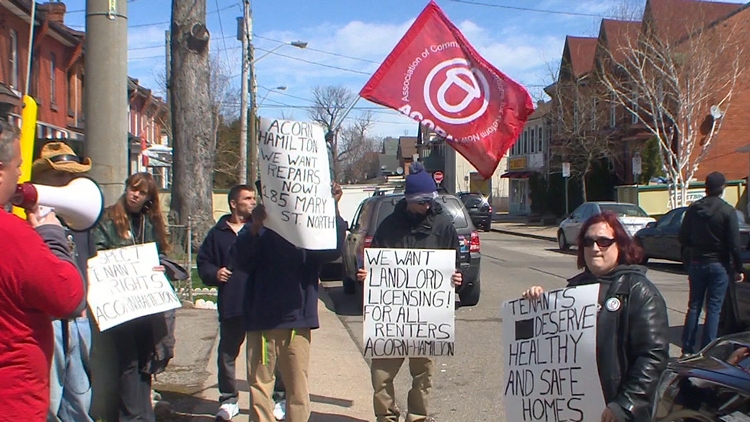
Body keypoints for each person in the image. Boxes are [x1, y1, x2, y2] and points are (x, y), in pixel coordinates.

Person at [523, 211, 669, 422]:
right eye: (588, 241)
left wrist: (624, 404)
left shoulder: (639, 292)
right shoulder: (575, 289)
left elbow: (653, 356)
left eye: (603, 241)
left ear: (620, 245)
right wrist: (538, 306)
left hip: (618, 412)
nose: (595, 248)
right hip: (578, 408)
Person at [356, 162, 463, 422]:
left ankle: (417, 416)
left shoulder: (443, 225)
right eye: (421, 202)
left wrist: (456, 277)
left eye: (430, 201)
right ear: (409, 200)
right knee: (381, 375)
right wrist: (367, 276)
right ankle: (386, 416)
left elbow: (454, 264)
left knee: (423, 375)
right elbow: (374, 262)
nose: (427, 206)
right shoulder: (389, 225)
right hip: (391, 317)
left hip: (427, 317)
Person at [231, 183, 346, 422]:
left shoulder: (309, 226)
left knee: (297, 389)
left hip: (296, 320)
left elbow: (332, 250)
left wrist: (332, 208)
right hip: (261, 321)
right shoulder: (256, 226)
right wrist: (254, 226)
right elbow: (239, 261)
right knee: (260, 387)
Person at [0, 120, 87, 420]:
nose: (20, 175)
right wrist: (52, 237)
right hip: (13, 403)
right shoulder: (13, 236)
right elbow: (69, 298)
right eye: (17, 166)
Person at [198, 185, 288, 421]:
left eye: (253, 198)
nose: (252, 202)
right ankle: (228, 400)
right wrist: (214, 273)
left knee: (271, 355)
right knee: (227, 353)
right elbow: (204, 262)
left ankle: (279, 398)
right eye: (247, 198)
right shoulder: (217, 233)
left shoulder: (261, 230)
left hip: (261, 303)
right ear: (233, 204)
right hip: (232, 303)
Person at [92, 172, 173, 422]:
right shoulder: (108, 218)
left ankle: (144, 414)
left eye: (141, 192)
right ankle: (129, 416)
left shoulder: (150, 222)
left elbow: (159, 253)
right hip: (121, 303)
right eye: (132, 189)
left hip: (145, 305)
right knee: (128, 362)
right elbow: (98, 252)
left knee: (146, 361)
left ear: (149, 198)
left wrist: (160, 266)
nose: (134, 195)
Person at [31, 142, 96, 422]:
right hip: (49, 322)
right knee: (50, 400)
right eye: (61, 176)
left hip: (79, 321)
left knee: (79, 399)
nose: (69, 183)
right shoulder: (30, 223)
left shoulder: (81, 215)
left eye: (72, 176)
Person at [679, 171, 745, 357]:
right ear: (722, 188)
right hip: (719, 264)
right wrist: (738, 269)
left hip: (697, 262)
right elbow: (734, 243)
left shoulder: (693, 210)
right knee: (714, 309)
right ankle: (706, 351)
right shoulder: (727, 211)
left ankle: (687, 349)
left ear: (706, 188)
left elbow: (683, 237)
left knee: (694, 306)